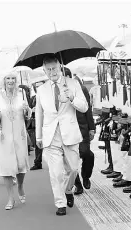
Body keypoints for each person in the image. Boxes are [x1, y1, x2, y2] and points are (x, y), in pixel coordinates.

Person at [35, 55, 88, 216]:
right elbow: (39, 114)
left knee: (73, 169)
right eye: (49, 69)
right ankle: (60, 203)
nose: (52, 72)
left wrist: (71, 97)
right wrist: (38, 137)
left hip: (70, 133)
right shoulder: (41, 89)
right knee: (56, 173)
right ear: (44, 70)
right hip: (51, 136)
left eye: (55, 68)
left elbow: (84, 107)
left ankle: (67, 190)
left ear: (60, 67)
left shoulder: (72, 84)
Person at [0, 71, 31, 210]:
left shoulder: (21, 94)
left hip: (20, 135)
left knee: (21, 165)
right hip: (3, 136)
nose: (10, 81)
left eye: (13, 78)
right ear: (3, 81)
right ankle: (10, 198)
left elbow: (28, 116)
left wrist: (27, 110)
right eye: (8, 78)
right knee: (6, 167)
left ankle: (21, 186)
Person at [61, 68, 96, 195]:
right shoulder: (57, 92)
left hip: (82, 128)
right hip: (66, 131)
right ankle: (77, 185)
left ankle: (86, 176)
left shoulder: (82, 89)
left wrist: (92, 128)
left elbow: (88, 110)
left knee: (87, 153)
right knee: (71, 161)